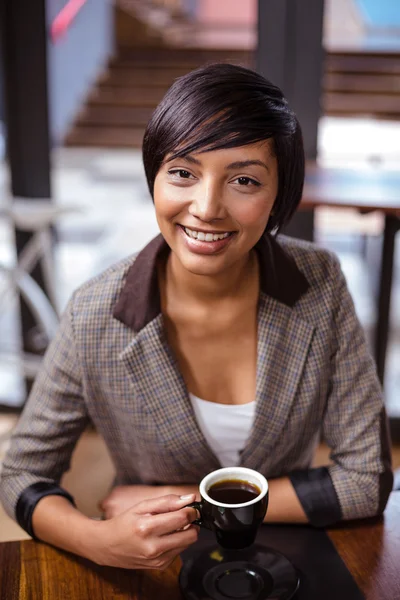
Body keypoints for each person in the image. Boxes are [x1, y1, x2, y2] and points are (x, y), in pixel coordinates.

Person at [0, 63, 393, 570]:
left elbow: (367, 480)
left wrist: (192, 500)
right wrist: (96, 540)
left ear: (278, 196)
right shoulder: (95, 312)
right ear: (154, 177)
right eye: (183, 172)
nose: (206, 208)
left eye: (244, 180)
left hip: (282, 561)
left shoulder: (319, 282)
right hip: (151, 567)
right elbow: (20, 474)